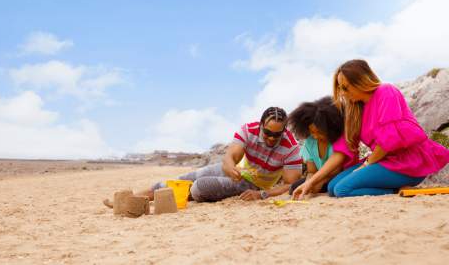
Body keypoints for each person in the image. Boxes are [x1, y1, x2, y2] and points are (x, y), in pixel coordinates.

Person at [293, 59, 449, 199]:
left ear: (360, 81)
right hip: (385, 161)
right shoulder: (355, 110)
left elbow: (388, 141)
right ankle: (393, 187)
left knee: (342, 190)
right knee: (333, 187)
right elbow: (342, 150)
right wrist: (311, 181)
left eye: (346, 88)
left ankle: (396, 191)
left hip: (409, 162)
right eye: (340, 88)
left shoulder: (386, 92)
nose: (342, 93)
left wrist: (366, 165)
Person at [130, 107, 303, 203]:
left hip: (255, 186)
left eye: (277, 135)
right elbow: (229, 157)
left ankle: (167, 198)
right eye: (267, 133)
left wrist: (262, 195)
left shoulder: (291, 148)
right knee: (184, 178)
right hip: (239, 173)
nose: (272, 138)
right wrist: (231, 168)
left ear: (284, 131)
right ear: (260, 126)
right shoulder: (248, 130)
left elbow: (291, 184)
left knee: (199, 188)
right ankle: (134, 199)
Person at [286, 96, 346, 195]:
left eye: (319, 132)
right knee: (294, 187)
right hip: (318, 177)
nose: (315, 136)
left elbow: (336, 169)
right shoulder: (310, 142)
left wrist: (318, 181)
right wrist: (308, 182)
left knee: (333, 186)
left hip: (336, 175)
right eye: (312, 132)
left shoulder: (337, 140)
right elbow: (311, 171)